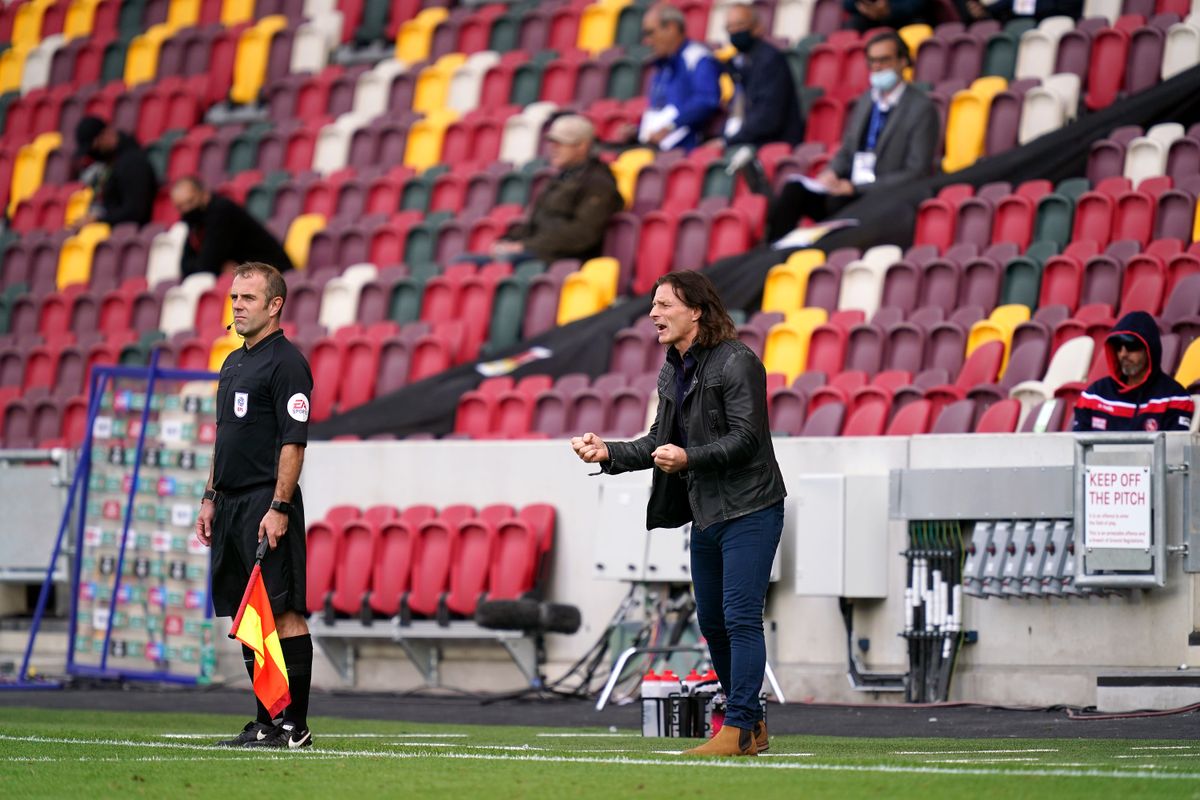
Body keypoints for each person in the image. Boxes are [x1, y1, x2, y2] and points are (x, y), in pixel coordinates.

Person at [571, 270, 786, 757]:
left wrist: (691, 459)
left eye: (664, 304)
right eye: (652, 305)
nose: (653, 313)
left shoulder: (739, 362)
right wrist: (608, 452)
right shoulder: (673, 367)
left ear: (697, 311)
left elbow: (747, 439)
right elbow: (656, 442)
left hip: (752, 507)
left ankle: (735, 727)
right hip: (707, 513)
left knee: (741, 619)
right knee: (712, 622)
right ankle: (750, 727)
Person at [195, 262, 315, 750]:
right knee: (248, 617)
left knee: (283, 613)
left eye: (247, 298)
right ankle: (266, 722)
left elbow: (293, 442)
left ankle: (295, 727)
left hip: (267, 503)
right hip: (228, 505)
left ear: (274, 305)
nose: (238, 306)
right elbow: (224, 439)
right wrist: (209, 497)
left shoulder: (286, 363)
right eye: (234, 299)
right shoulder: (232, 362)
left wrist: (280, 506)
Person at [764, 31, 939, 241]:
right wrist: (831, 174)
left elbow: (916, 172)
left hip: (881, 195)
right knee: (794, 191)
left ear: (903, 62)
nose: (877, 67)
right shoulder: (867, 100)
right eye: (872, 61)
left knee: (838, 204)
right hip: (849, 188)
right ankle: (772, 253)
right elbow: (847, 149)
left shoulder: (921, 108)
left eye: (884, 60)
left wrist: (857, 188)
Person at [492, 114, 625, 263]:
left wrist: (525, 246)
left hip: (562, 260)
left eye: (561, 143)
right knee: (466, 260)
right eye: (552, 143)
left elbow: (582, 234)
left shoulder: (599, 183)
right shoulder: (561, 178)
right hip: (540, 252)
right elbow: (534, 224)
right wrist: (507, 240)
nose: (553, 149)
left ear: (582, 146)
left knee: (504, 260)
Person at [1072, 311, 1194, 433]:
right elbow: (1076, 448)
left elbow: (1176, 450)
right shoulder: (1094, 396)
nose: (1123, 354)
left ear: (1150, 349)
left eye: (1131, 345)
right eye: (1118, 346)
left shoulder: (1175, 398)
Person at [625, 3, 722, 152]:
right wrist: (638, 130)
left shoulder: (697, 58)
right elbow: (658, 109)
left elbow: (706, 101)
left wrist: (671, 126)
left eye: (651, 33)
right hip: (653, 146)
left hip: (682, 150)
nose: (647, 41)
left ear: (671, 28)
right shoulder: (661, 65)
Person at [171, 177, 295, 277]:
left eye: (190, 202)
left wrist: (215, 265)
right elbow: (185, 266)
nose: (187, 209)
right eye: (181, 207)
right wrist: (217, 265)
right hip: (250, 276)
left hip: (273, 273)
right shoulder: (195, 222)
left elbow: (206, 265)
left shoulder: (221, 211)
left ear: (204, 194)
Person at [722, 4, 804, 148]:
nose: (734, 31)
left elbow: (767, 118)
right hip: (749, 140)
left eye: (740, 25)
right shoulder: (738, 62)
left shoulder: (770, 60)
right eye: (730, 27)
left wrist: (729, 141)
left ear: (757, 27)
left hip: (774, 144)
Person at [73, 115, 158, 227]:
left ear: (106, 135)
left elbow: (136, 211)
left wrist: (98, 220)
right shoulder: (112, 162)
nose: (93, 154)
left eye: (96, 147)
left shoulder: (133, 162)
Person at [843, 0, 931, 33]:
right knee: (853, 24)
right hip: (871, 17)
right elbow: (846, 4)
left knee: (918, 26)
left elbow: (919, 4)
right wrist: (861, 4)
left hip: (905, 19)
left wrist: (889, 10)